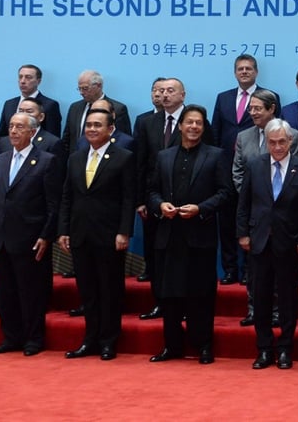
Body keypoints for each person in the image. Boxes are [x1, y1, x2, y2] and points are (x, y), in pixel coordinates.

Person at [146, 105, 230, 365]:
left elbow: (225, 193)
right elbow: (151, 191)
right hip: (169, 235)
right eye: (189, 122)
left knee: (201, 295)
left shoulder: (216, 156)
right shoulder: (163, 156)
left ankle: (203, 345)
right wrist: (160, 205)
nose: (194, 127)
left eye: (199, 123)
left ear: (204, 129)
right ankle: (172, 346)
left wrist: (201, 209)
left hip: (200, 235)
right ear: (180, 126)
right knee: (169, 295)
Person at [237, 118, 298, 370]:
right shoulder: (255, 165)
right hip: (259, 242)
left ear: (290, 141)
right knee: (260, 298)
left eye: (282, 141)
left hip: (289, 244)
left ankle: (285, 349)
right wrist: (243, 234)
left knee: (288, 299)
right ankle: (263, 349)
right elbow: (244, 204)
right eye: (273, 142)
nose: (278, 147)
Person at [57, 108, 135, 361]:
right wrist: (64, 230)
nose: (91, 129)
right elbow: (67, 196)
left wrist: (124, 232)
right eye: (89, 124)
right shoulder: (75, 158)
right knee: (88, 291)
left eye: (97, 125)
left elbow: (127, 199)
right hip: (80, 235)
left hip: (110, 236)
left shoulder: (123, 157)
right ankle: (89, 339)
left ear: (110, 129)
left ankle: (108, 341)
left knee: (109, 291)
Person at [0, 113, 61, 356]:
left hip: (31, 238)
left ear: (32, 132)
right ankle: (11, 338)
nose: (14, 131)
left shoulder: (47, 161)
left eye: (20, 127)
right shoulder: (2, 159)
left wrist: (46, 236)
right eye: (11, 126)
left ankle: (33, 339)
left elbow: (53, 204)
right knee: (5, 293)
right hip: (3, 238)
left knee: (31, 293)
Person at [233, 90, 298, 326]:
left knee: (283, 278)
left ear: (272, 109)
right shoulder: (243, 137)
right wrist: (256, 192)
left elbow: (297, 175)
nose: (252, 112)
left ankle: (278, 315)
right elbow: (238, 171)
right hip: (257, 214)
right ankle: (254, 310)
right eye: (250, 108)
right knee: (256, 275)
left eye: (257, 107)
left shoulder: (293, 135)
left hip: (285, 222)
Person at [211, 54, 280, 286]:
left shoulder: (269, 97)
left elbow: (276, 135)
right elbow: (216, 134)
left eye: (248, 68)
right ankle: (230, 269)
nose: (244, 72)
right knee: (228, 221)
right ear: (234, 72)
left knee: (256, 224)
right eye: (240, 68)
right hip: (228, 170)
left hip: (261, 174)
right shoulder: (223, 98)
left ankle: (251, 270)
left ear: (256, 72)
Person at [134, 77, 188, 318]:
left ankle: (186, 305)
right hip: (155, 201)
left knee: (184, 256)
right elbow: (141, 163)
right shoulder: (148, 123)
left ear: (182, 95)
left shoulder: (195, 121)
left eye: (170, 91)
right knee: (156, 254)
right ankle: (160, 302)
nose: (165, 95)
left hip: (187, 203)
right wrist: (141, 199)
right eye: (161, 91)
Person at [62, 70, 132, 154]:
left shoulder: (117, 109)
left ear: (99, 86)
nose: (81, 93)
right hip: (77, 161)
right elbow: (67, 139)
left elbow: (123, 142)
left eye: (85, 88)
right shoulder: (75, 107)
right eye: (79, 89)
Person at [0, 63, 63, 138]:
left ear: (38, 81)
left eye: (28, 77)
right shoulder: (9, 104)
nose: (23, 81)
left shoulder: (50, 105)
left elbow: (53, 138)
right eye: (20, 77)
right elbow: (1, 135)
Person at [0, 98, 66, 166]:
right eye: (21, 111)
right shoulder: (5, 142)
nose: (24, 115)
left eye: (29, 111)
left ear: (41, 117)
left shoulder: (52, 143)